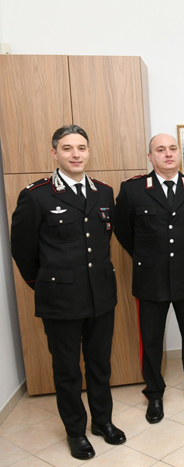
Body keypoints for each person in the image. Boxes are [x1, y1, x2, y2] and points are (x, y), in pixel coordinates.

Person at [11, 125, 126, 460]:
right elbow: (24, 251)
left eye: (81, 148)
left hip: (101, 296)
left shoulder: (104, 192)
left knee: (100, 365)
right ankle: (76, 431)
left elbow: (103, 241)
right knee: (67, 370)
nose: (75, 154)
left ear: (89, 152)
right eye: (67, 148)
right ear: (54, 153)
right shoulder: (36, 195)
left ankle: (102, 422)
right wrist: (46, 285)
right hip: (60, 300)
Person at [114, 133, 184, 423]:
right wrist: (148, 256)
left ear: (179, 154)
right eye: (160, 150)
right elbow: (123, 231)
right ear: (150, 157)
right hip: (150, 277)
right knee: (151, 340)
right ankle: (154, 394)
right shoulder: (133, 189)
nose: (168, 154)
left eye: (173, 149)